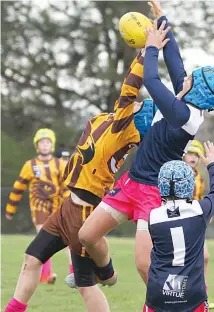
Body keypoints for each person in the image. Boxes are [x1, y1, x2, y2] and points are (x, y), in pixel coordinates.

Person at [77, 0, 214, 285]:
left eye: (191, 79)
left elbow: (151, 77)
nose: (185, 78)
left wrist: (150, 46)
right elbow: (176, 61)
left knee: (144, 265)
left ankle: (167, 303)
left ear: (196, 91)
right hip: (131, 183)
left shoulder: (184, 114)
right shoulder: (186, 100)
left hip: (152, 194)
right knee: (87, 235)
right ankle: (107, 275)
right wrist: (163, 22)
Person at [4, 48, 157, 312]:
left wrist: (145, 54)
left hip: (84, 210)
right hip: (66, 207)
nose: (138, 102)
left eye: (141, 105)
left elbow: (130, 86)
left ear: (137, 118)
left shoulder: (124, 128)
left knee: (86, 285)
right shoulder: (110, 120)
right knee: (31, 258)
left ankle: (107, 271)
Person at [143, 141, 214, 312]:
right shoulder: (200, 210)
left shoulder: (153, 217)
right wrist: (213, 165)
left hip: (158, 294)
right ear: (189, 184)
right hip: (192, 294)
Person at [5, 128, 69, 284]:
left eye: (47, 142)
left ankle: (75, 273)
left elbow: (66, 187)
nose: (45, 145)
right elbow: (18, 187)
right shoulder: (30, 165)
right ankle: (46, 275)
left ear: (52, 144)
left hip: (58, 208)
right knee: (44, 238)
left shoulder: (60, 164)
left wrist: (70, 208)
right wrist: (10, 209)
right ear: (37, 145)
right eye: (42, 142)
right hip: (39, 207)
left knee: (68, 240)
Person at [184, 140, 214, 309]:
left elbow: (198, 199)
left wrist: (206, 212)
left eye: (197, 155)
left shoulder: (199, 178)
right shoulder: (175, 173)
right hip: (181, 222)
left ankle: (202, 296)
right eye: (191, 153)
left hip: (196, 222)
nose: (194, 158)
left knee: (204, 258)